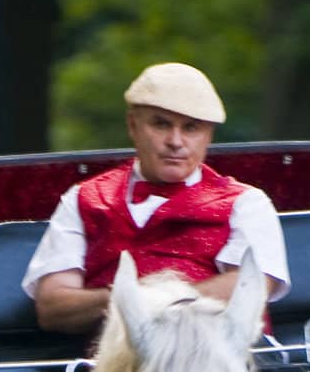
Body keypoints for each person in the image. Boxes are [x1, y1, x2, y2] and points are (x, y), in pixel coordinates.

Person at [23, 62, 290, 333]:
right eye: (161, 124)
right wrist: (136, 300)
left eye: (191, 127)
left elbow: (249, 287)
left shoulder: (247, 203)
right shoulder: (83, 198)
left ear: (208, 136)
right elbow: (53, 308)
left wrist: (144, 301)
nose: (176, 141)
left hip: (217, 363)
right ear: (133, 125)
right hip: (106, 368)